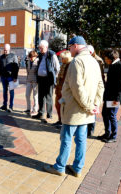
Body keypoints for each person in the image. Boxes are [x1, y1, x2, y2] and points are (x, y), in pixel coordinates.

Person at [44, 36, 104, 177]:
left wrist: (89, 106)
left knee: (66, 138)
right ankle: (77, 168)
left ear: (75, 45)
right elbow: (101, 85)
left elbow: (77, 88)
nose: (69, 50)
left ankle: (60, 166)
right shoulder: (94, 61)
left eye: (69, 47)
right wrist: (95, 104)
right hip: (85, 110)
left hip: (74, 110)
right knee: (81, 139)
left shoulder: (77, 62)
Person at [98, 50, 121, 143]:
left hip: (114, 98)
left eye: (106, 59)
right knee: (105, 114)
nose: (105, 60)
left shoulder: (120, 67)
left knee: (112, 115)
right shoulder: (112, 65)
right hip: (108, 96)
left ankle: (113, 136)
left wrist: (117, 99)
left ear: (112, 58)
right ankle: (107, 133)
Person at [32, 40, 60, 122]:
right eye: (39, 48)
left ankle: (49, 115)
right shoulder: (40, 55)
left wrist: (52, 76)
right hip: (40, 79)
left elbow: (57, 67)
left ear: (46, 47)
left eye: (42, 48)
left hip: (48, 79)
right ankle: (40, 113)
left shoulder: (51, 54)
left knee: (48, 97)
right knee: (41, 96)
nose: (40, 49)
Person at [86, 45, 105, 137]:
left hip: (94, 87)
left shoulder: (98, 60)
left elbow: (101, 77)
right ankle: (86, 129)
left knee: (93, 109)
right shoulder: (86, 59)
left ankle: (91, 130)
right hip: (87, 87)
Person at [53, 51, 73, 128]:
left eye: (62, 58)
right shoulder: (64, 65)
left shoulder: (70, 65)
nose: (61, 59)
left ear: (67, 58)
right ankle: (60, 120)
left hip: (64, 91)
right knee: (58, 105)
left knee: (63, 107)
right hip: (59, 89)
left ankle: (63, 122)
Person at [0, 44, 19, 113]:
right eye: (4, 50)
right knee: (4, 91)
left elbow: (16, 67)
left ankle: (11, 106)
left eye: (6, 50)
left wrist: (15, 77)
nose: (5, 51)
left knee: (11, 92)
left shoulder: (13, 56)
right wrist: (0, 74)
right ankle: (4, 105)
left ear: (9, 49)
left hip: (11, 77)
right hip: (3, 77)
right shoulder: (1, 57)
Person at [23, 50, 39, 115]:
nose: (31, 58)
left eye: (32, 57)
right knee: (27, 95)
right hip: (29, 80)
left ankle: (35, 109)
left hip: (35, 81)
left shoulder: (38, 61)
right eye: (30, 57)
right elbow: (28, 71)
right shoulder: (28, 62)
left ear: (35, 56)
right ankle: (28, 109)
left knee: (35, 96)